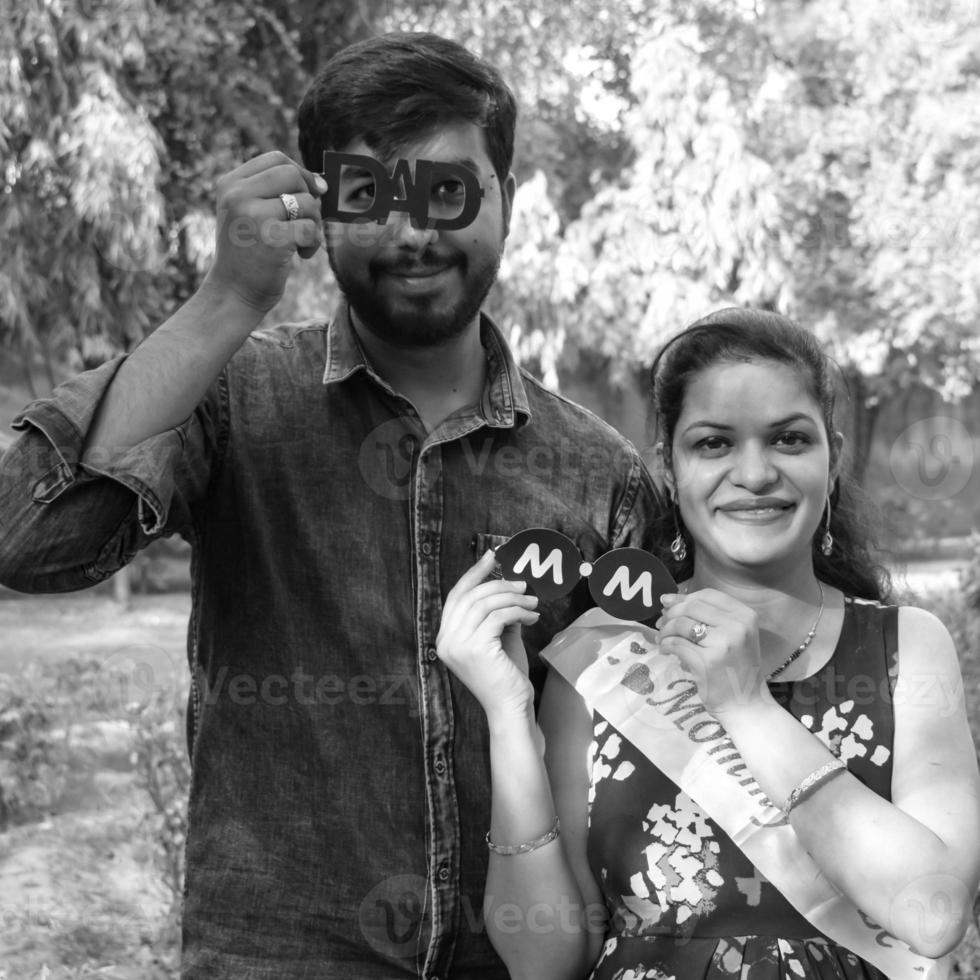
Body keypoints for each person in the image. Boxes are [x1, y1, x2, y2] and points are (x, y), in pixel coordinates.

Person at [0, 32, 663, 979]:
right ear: (318, 207)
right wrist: (229, 295)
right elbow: (27, 538)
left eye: (449, 192)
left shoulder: (598, 470)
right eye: (370, 195)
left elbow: (638, 768)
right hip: (279, 953)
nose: (413, 233)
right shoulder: (233, 398)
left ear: (508, 202)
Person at [437, 308, 980, 980]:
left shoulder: (906, 648)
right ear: (667, 467)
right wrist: (509, 717)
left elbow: (933, 915)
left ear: (832, 458)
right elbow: (545, 959)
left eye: (788, 440)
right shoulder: (599, 658)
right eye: (714, 444)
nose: (754, 474)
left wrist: (747, 706)